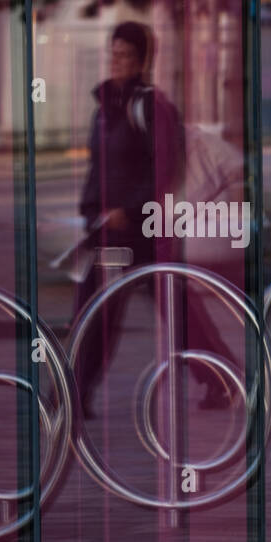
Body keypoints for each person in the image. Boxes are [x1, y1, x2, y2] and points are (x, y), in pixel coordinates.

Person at [73, 21, 232, 417]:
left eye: (126, 55)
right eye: (114, 54)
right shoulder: (105, 110)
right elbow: (98, 169)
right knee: (103, 312)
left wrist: (129, 210)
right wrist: (91, 211)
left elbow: (164, 170)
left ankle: (222, 378)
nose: (118, 61)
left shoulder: (151, 106)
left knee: (159, 313)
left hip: (142, 230)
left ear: (143, 60)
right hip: (108, 232)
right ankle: (74, 392)